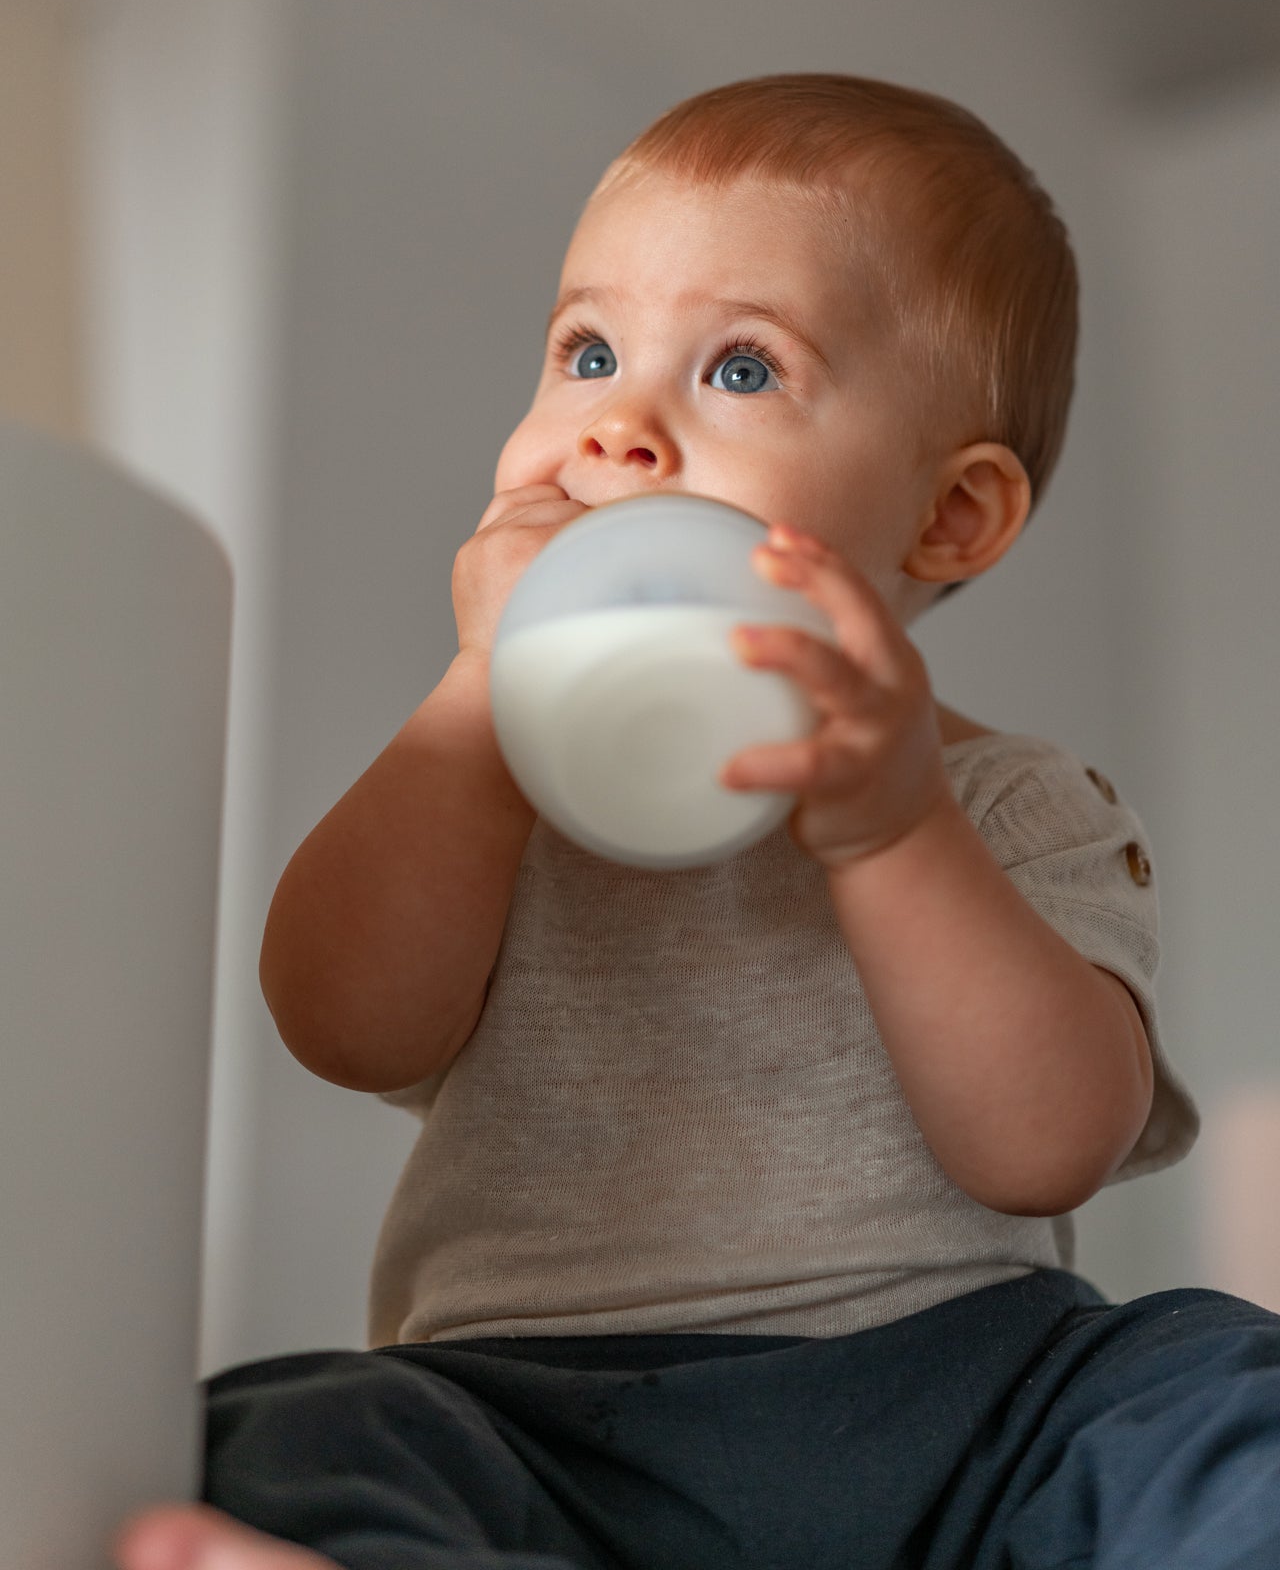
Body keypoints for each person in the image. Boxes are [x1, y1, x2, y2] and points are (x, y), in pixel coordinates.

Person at [114, 75, 1280, 1569]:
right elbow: (343, 1021)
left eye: (739, 369)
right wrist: (481, 692)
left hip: (965, 1407)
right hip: (535, 1418)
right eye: (586, 350)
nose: (620, 427)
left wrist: (892, 830)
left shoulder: (1005, 800)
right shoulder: (492, 781)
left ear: (949, 518)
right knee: (283, 1428)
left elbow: (1048, 1145)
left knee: (1217, 1386)